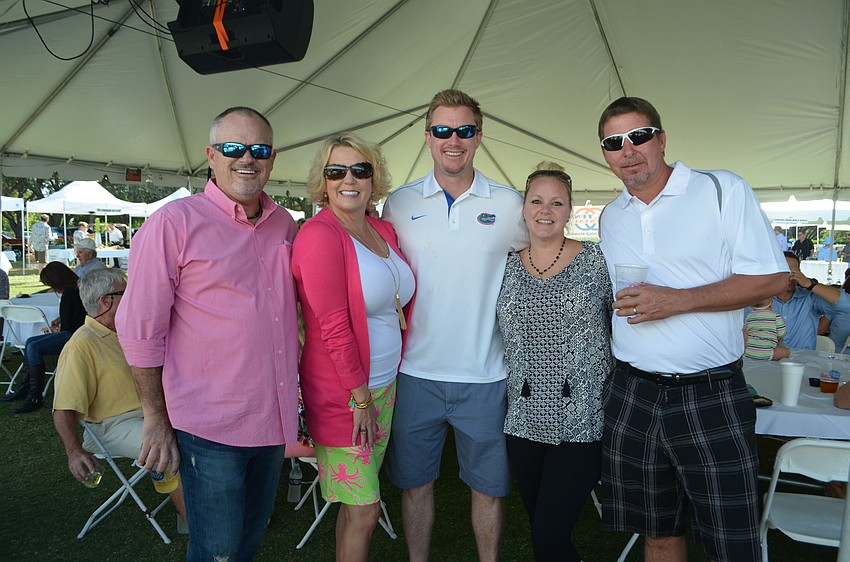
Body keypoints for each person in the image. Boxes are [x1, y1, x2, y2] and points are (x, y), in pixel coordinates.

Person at [597, 96, 788, 562]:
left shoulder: (720, 189)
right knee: (657, 532)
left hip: (710, 394)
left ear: (661, 139)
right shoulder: (611, 215)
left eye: (639, 135)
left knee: (730, 542)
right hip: (633, 391)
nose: (628, 149)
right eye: (613, 142)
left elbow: (774, 278)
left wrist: (677, 300)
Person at [116, 107, 299, 560]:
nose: (247, 160)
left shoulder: (285, 225)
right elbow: (141, 329)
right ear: (211, 157)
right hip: (209, 428)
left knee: (249, 540)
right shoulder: (173, 222)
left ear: (272, 159)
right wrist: (154, 416)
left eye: (259, 150)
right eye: (234, 149)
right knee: (217, 550)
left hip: (273, 421)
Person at [382, 89, 527, 562]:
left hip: (486, 374)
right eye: (443, 130)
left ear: (479, 137)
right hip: (415, 373)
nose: (453, 140)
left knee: (488, 489)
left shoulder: (510, 204)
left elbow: (540, 260)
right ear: (427, 137)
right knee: (414, 485)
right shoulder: (398, 204)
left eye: (464, 130)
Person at [292, 133, 415, 561]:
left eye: (360, 169)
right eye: (337, 171)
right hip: (347, 395)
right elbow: (332, 325)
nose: (350, 179)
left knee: (355, 503)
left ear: (373, 177)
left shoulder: (381, 229)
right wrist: (360, 397)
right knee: (365, 510)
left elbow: (398, 300)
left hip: (384, 385)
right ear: (322, 182)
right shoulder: (318, 234)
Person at [495, 162, 612, 561]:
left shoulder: (599, 263)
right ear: (524, 209)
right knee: (546, 531)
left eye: (557, 202)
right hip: (523, 416)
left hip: (582, 416)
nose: (546, 210)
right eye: (537, 201)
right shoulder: (504, 266)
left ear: (570, 211)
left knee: (547, 534)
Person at [51, 268, 187, 528]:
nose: (136, 298)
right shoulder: (81, 345)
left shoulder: (128, 332)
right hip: (111, 425)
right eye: (128, 293)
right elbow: (63, 408)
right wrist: (74, 451)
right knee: (168, 448)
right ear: (106, 301)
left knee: (205, 436)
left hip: (154, 414)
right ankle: (193, 522)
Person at [5, 262, 87, 413]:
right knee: (30, 342)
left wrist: (57, 329)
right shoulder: (77, 289)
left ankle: (34, 395)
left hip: (74, 336)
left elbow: (73, 323)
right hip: (74, 332)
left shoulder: (70, 293)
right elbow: (76, 314)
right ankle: (27, 388)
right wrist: (59, 321)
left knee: (34, 346)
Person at [774, 251, 850, 349]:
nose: (789, 276)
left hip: (803, 362)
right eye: (784, 272)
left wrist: (809, 284)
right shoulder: (759, 300)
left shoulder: (809, 298)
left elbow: (847, 305)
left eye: (793, 272)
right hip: (764, 362)